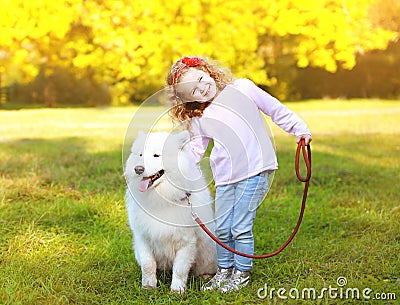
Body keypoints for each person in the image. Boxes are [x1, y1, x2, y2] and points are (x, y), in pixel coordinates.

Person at [166, 56, 312, 293]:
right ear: (187, 99)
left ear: (207, 71)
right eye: (193, 90)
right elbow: (196, 149)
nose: (202, 88)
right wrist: (177, 168)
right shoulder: (199, 117)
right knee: (223, 227)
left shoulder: (243, 88)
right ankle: (224, 270)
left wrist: (300, 129)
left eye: (201, 79)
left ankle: (241, 274)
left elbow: (275, 110)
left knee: (240, 226)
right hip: (225, 178)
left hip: (255, 170)